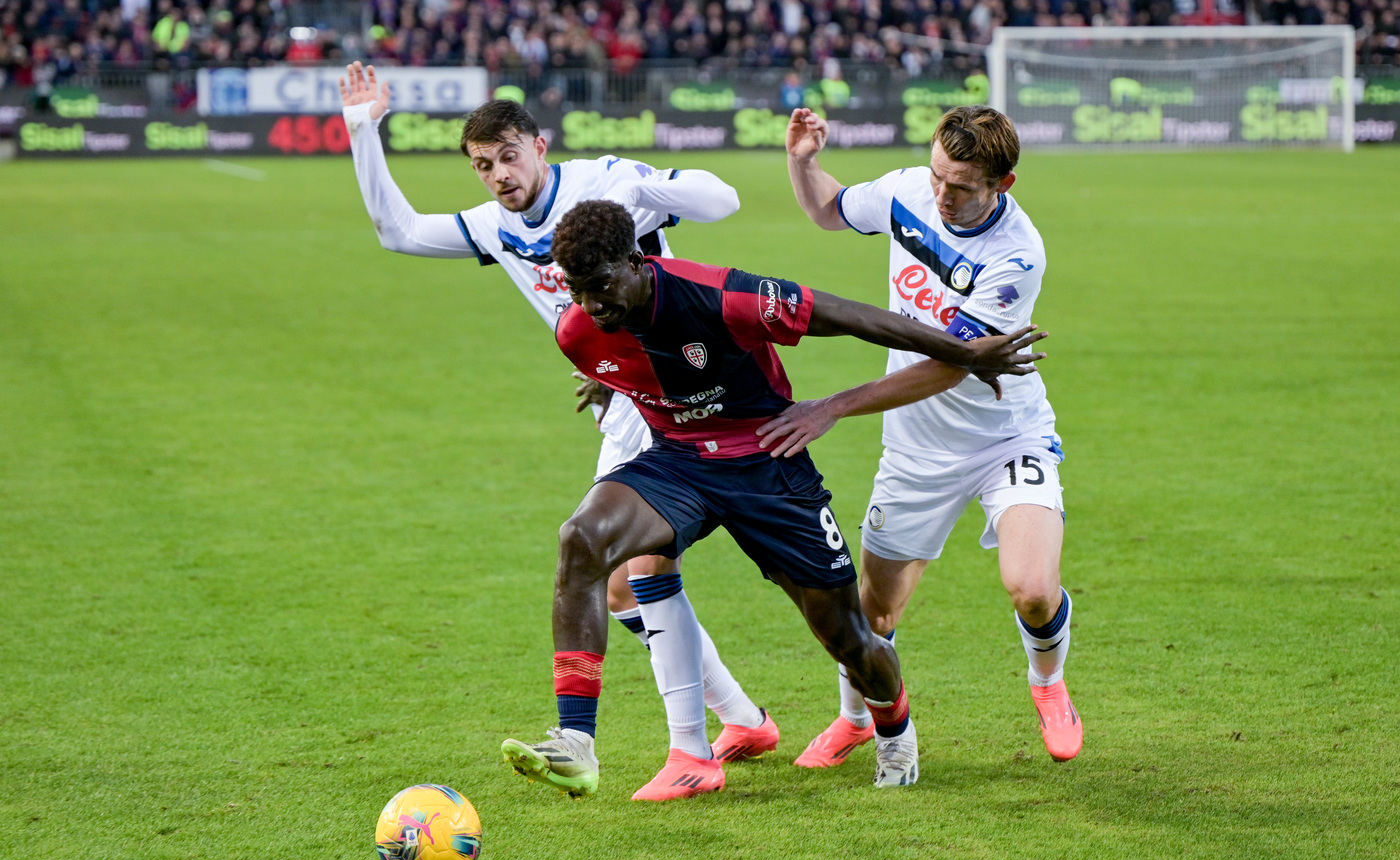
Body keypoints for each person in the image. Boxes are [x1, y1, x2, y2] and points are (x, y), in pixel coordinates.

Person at [500, 198, 1047, 798]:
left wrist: (964, 351)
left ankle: (893, 728)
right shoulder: (578, 330)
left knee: (848, 637)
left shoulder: (721, 294)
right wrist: (605, 386)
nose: (591, 305)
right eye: (578, 291)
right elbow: (625, 363)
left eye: (601, 286)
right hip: (679, 463)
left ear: (636, 260)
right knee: (582, 538)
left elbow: (846, 315)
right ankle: (576, 742)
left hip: (769, 462)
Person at [337, 62, 781, 797]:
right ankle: (741, 719)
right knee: (615, 586)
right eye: (483, 165)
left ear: (539, 145)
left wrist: (648, 191)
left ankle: (688, 752)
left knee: (632, 565)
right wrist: (363, 129)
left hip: (678, 386)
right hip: (627, 400)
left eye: (509, 155)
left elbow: (723, 198)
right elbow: (399, 230)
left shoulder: (602, 182)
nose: (499, 175)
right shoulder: (495, 226)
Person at [771, 104, 1083, 768]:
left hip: (1007, 437)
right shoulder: (910, 188)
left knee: (1032, 586)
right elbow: (829, 210)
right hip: (916, 448)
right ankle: (855, 718)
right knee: (871, 613)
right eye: (939, 174)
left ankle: (1048, 683)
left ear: (1003, 184)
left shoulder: (1017, 255)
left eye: (961, 186)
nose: (941, 193)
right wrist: (804, 162)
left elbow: (946, 365)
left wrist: (833, 406)